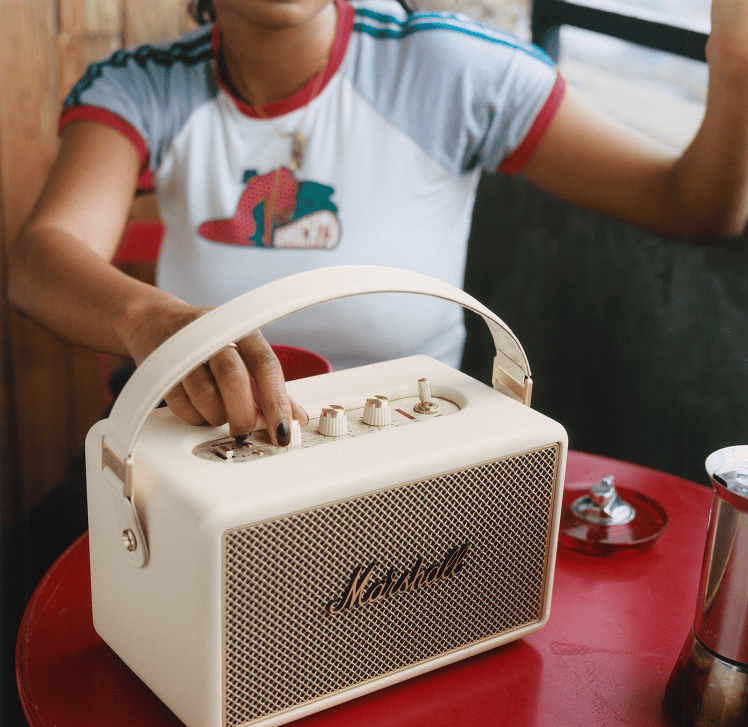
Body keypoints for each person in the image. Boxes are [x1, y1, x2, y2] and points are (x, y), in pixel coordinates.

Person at [8, 0, 748, 449]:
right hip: (204, 467)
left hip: (404, 473)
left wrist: (736, 67)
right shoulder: (146, 85)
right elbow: (42, 257)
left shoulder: (451, 70)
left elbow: (696, 205)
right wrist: (152, 320)